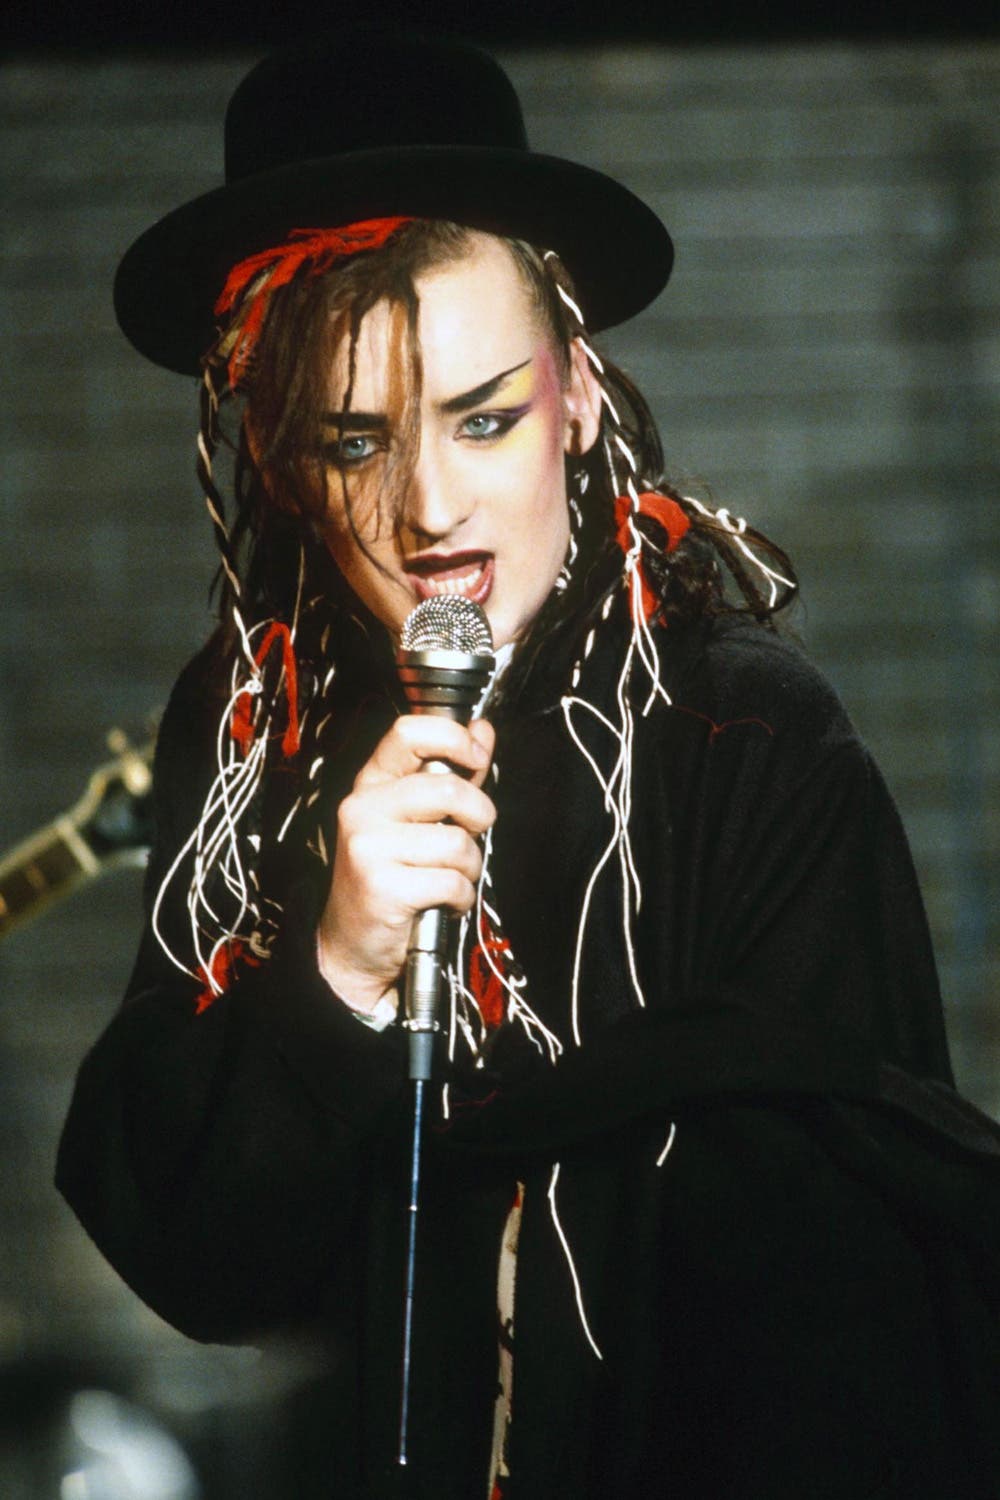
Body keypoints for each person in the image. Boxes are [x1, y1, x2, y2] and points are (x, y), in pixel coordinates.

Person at [57, 29, 1000, 1500]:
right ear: (279, 459)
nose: (431, 504)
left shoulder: (747, 733)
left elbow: (860, 1307)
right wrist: (340, 972)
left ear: (577, 394)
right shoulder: (247, 735)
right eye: (355, 441)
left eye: (484, 417)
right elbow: (203, 1266)